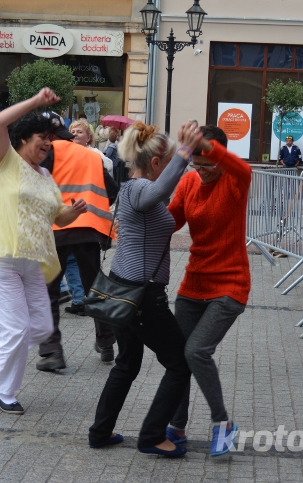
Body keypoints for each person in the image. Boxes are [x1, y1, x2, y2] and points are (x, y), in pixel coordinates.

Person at [87, 120, 204, 456]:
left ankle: (100, 432)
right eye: (168, 163)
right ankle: (152, 436)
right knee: (181, 364)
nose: (174, 170)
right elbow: (158, 191)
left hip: (124, 292)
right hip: (142, 297)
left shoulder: (131, 191)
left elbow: (162, 200)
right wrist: (184, 152)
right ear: (156, 164)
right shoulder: (140, 189)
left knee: (127, 363)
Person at [0, 88, 87, 415]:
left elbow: (57, 215)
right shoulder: (4, 161)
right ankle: (4, 392)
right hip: (0, 258)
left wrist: (75, 212)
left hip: (33, 263)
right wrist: (38, 102)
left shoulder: (46, 176)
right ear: (24, 138)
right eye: (43, 137)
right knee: (16, 329)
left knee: (40, 327)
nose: (48, 144)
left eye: (51, 139)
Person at [162, 125, 251, 457]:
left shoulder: (235, 180)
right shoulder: (188, 182)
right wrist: (139, 210)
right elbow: (171, 221)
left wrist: (205, 146)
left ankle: (222, 424)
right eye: (196, 165)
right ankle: (177, 427)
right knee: (177, 357)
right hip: (194, 283)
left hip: (230, 284)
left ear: (221, 158)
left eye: (207, 165)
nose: (200, 172)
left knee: (196, 351)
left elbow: (241, 167)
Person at [36, 119, 118, 370]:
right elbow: (112, 191)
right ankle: (106, 343)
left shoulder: (49, 152)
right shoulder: (92, 156)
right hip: (89, 228)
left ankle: (52, 352)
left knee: (49, 289)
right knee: (95, 285)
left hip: (57, 228)